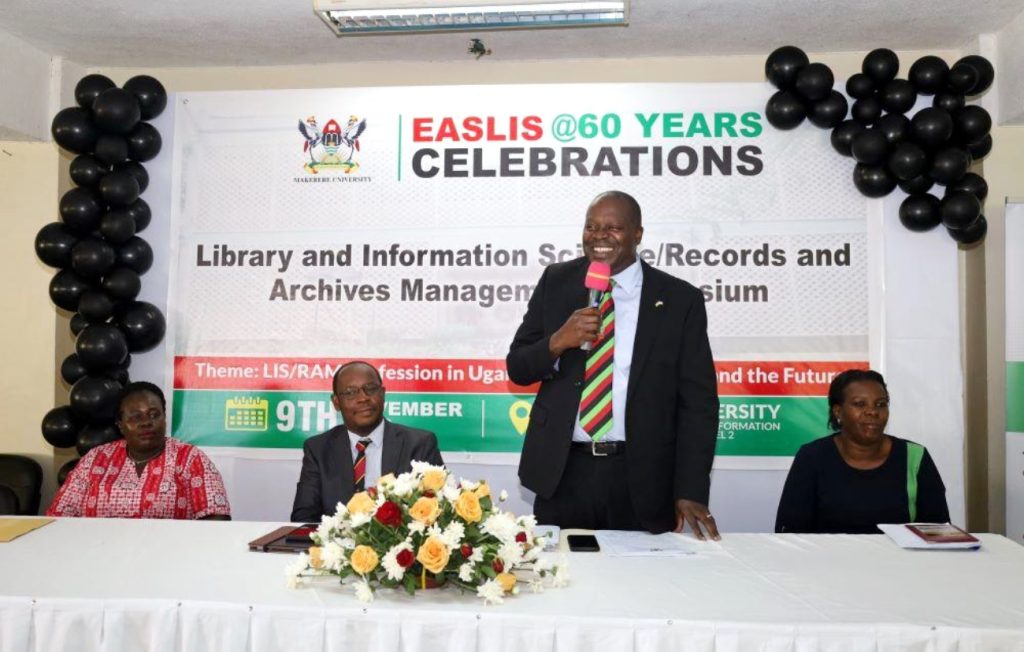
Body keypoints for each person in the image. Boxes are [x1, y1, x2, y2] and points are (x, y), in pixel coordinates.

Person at [506, 191, 720, 538]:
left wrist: (691, 489)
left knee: (638, 586)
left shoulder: (680, 299)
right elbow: (518, 367)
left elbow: (699, 404)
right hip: (563, 472)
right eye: (591, 226)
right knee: (563, 582)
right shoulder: (557, 282)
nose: (599, 236)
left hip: (641, 476)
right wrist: (559, 341)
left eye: (613, 227)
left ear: (638, 234)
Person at [775, 369, 950, 534]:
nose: (872, 411)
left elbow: (937, 532)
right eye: (859, 404)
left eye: (881, 404)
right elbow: (791, 532)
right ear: (838, 411)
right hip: (829, 563)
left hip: (899, 564)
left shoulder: (914, 456)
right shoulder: (812, 457)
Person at [47, 381, 231, 519]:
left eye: (154, 415)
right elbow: (59, 515)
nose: (146, 423)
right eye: (135, 417)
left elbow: (217, 518)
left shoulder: (189, 459)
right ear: (120, 425)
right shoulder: (96, 459)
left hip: (169, 561)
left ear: (164, 418)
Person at [290, 361, 445, 522]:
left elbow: (439, 509)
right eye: (350, 392)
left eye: (370, 389)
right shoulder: (318, 449)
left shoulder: (419, 444)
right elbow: (303, 518)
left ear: (383, 393)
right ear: (336, 402)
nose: (363, 398)